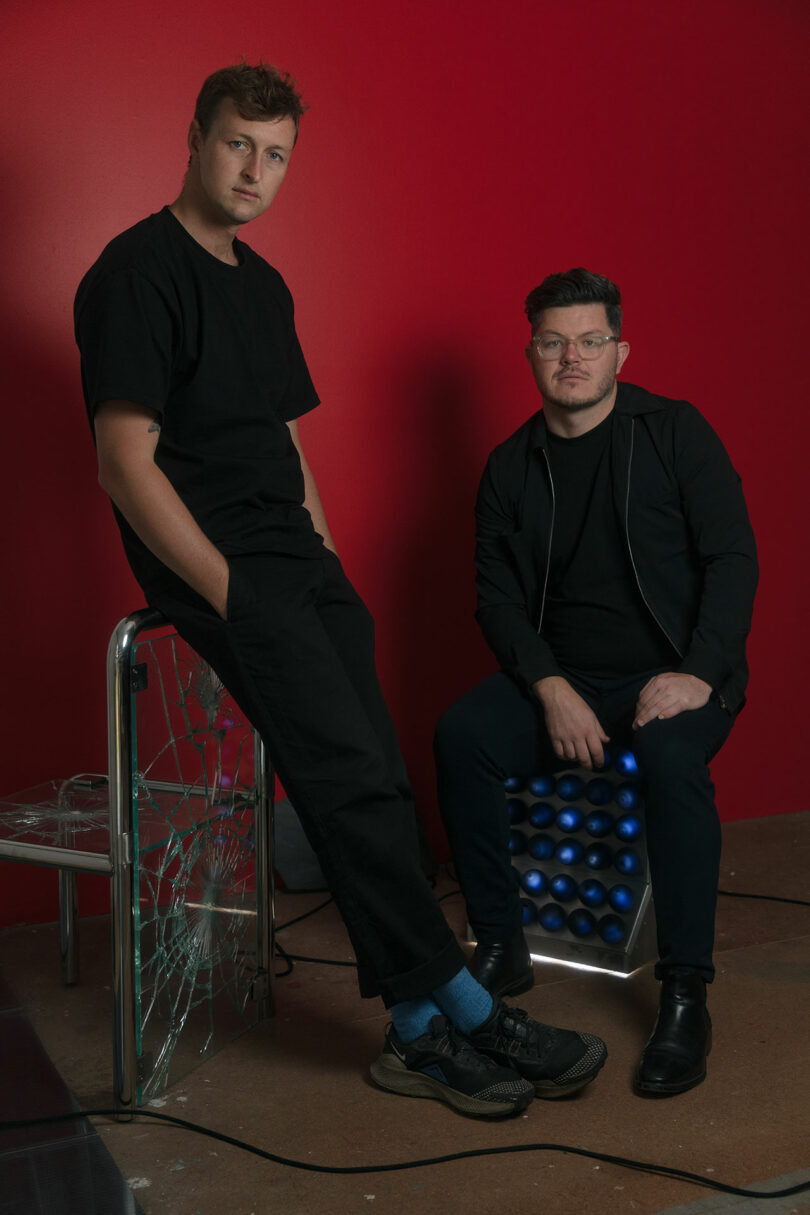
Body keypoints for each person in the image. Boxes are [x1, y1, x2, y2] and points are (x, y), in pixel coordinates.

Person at [74, 65, 606, 1118]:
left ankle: (421, 1025)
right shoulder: (134, 273)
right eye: (238, 145)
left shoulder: (263, 285)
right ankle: (452, 1010)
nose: (256, 172)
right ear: (194, 138)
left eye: (275, 156)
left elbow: (285, 437)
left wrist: (325, 561)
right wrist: (236, 593)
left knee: (374, 787)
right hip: (224, 572)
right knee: (350, 785)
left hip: (301, 566)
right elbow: (123, 463)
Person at [434, 268, 757, 1096]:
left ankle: (686, 993)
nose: (570, 357)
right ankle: (503, 943)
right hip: (568, 678)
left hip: (677, 677)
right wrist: (546, 684)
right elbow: (496, 600)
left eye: (588, 340)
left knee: (672, 759)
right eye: (552, 341)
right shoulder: (511, 466)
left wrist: (697, 673)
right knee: (460, 734)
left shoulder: (675, 433)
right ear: (531, 352)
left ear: (620, 349)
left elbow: (733, 559)